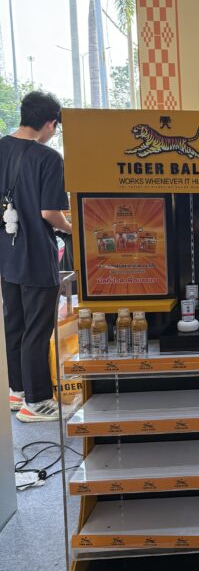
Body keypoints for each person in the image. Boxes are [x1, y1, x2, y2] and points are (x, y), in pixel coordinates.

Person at [0, 92, 71, 422]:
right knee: (37, 331)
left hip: (7, 255)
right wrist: (70, 228)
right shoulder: (49, 158)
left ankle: (17, 391)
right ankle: (38, 401)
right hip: (37, 256)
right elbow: (49, 213)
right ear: (50, 123)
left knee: (14, 324)